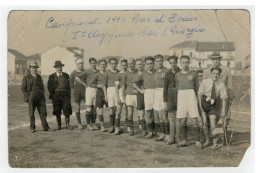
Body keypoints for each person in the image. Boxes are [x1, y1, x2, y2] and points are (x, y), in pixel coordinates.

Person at [202, 52, 234, 145]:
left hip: (222, 97)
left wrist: (230, 98)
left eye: (217, 59)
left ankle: (223, 138)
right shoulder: (207, 71)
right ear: (211, 60)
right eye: (213, 59)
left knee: (223, 117)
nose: (215, 61)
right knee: (210, 118)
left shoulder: (226, 70)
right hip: (210, 99)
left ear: (220, 59)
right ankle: (209, 138)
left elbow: (230, 85)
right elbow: (204, 85)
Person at [175, 55, 202, 148]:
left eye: (186, 62)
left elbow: (196, 87)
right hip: (181, 95)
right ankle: (184, 140)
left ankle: (198, 141)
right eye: (183, 62)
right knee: (182, 119)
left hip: (191, 95)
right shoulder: (177, 74)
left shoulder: (194, 73)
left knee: (194, 119)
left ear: (189, 62)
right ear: (180, 63)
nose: (185, 64)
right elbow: (177, 86)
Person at [198, 66, 228, 148]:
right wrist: (201, 108)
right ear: (211, 74)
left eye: (217, 74)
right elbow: (200, 95)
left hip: (212, 105)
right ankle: (207, 140)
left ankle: (215, 142)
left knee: (213, 120)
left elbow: (224, 98)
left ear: (219, 75)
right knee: (204, 122)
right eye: (214, 73)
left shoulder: (221, 85)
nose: (215, 75)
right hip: (203, 103)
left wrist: (223, 110)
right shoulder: (205, 82)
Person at [21, 62, 50, 133]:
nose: (34, 69)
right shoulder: (26, 77)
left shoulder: (39, 77)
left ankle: (45, 127)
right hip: (31, 97)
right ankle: (32, 128)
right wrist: (28, 97)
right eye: (33, 68)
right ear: (30, 68)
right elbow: (23, 88)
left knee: (43, 112)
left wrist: (42, 94)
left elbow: (42, 87)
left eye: (35, 68)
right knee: (31, 113)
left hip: (40, 97)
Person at [132, 56, 156, 139]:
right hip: (143, 94)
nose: (149, 65)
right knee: (143, 113)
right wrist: (140, 90)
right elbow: (133, 83)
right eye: (148, 64)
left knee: (154, 113)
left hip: (154, 93)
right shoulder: (141, 74)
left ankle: (154, 130)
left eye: (151, 63)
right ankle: (145, 130)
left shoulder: (156, 72)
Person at [75, 57, 99, 131]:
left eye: (94, 63)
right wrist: (84, 84)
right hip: (89, 90)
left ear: (96, 63)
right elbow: (77, 77)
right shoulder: (87, 71)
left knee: (95, 108)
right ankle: (89, 125)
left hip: (96, 90)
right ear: (89, 64)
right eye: (91, 63)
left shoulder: (98, 71)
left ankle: (94, 124)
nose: (93, 64)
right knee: (89, 107)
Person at [47, 61, 73, 130]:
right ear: (55, 68)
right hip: (56, 95)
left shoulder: (66, 75)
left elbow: (69, 86)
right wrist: (53, 94)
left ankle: (67, 124)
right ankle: (59, 124)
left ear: (62, 67)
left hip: (65, 95)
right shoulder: (51, 76)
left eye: (60, 67)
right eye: (57, 67)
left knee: (66, 109)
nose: (59, 69)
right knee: (57, 110)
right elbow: (49, 87)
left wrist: (68, 94)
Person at [163, 56, 181, 145]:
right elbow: (165, 88)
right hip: (170, 96)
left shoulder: (181, 72)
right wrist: (165, 101)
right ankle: (171, 137)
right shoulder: (167, 73)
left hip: (179, 95)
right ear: (169, 64)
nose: (173, 64)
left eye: (174, 62)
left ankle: (178, 138)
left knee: (179, 118)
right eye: (171, 63)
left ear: (177, 62)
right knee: (171, 118)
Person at [153, 55, 170, 141]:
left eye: (160, 61)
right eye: (157, 61)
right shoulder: (154, 72)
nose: (159, 63)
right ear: (155, 62)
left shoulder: (167, 71)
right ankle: (162, 134)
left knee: (165, 115)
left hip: (164, 92)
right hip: (156, 92)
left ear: (163, 61)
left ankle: (168, 134)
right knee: (159, 115)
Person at [90, 59, 108, 132]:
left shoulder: (108, 74)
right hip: (100, 93)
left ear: (106, 65)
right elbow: (91, 83)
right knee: (100, 110)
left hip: (108, 92)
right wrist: (98, 86)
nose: (103, 66)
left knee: (112, 109)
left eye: (104, 64)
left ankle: (114, 125)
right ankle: (102, 125)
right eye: (101, 65)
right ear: (99, 66)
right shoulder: (97, 75)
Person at [121, 58, 138, 136]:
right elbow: (123, 86)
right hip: (129, 95)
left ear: (134, 63)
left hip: (137, 95)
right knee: (130, 112)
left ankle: (142, 127)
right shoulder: (125, 74)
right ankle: (131, 129)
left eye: (132, 63)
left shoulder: (138, 72)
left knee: (140, 112)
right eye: (129, 63)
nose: (130, 65)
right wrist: (123, 97)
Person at [70, 58, 86, 129]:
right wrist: (76, 88)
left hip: (85, 90)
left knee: (89, 106)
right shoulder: (73, 73)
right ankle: (79, 123)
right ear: (76, 64)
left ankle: (90, 123)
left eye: (82, 63)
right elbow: (71, 84)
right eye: (79, 63)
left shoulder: (86, 72)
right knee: (77, 107)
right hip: (77, 91)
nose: (81, 65)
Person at [114, 59, 128, 134]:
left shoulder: (129, 73)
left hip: (127, 93)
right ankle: (117, 128)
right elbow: (116, 87)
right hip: (120, 93)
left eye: (125, 65)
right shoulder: (118, 74)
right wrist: (118, 97)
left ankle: (128, 127)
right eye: (122, 65)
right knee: (118, 111)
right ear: (120, 65)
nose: (124, 66)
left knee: (128, 111)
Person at [106, 57, 120, 133]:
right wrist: (106, 96)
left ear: (117, 64)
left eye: (115, 64)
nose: (114, 65)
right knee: (111, 109)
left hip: (117, 91)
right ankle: (112, 126)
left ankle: (117, 126)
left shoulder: (119, 72)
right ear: (110, 64)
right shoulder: (107, 72)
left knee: (118, 109)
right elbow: (104, 84)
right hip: (110, 90)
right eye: (112, 64)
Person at [134, 58, 146, 136]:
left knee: (149, 112)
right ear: (136, 66)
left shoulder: (146, 73)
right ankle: (143, 129)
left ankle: (151, 129)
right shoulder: (135, 74)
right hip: (140, 94)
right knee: (141, 112)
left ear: (143, 65)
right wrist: (140, 90)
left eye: (141, 64)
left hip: (148, 93)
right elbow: (133, 84)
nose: (140, 66)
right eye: (138, 64)